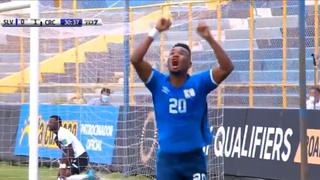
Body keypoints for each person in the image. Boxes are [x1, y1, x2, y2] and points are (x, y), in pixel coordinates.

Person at [130, 18, 234, 180]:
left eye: (181, 53)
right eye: (172, 53)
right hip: (167, 161)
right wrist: (156, 30)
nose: (175, 55)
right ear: (168, 61)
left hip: (194, 160)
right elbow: (135, 59)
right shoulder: (157, 83)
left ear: (189, 63)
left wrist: (209, 38)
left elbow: (227, 68)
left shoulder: (199, 83)